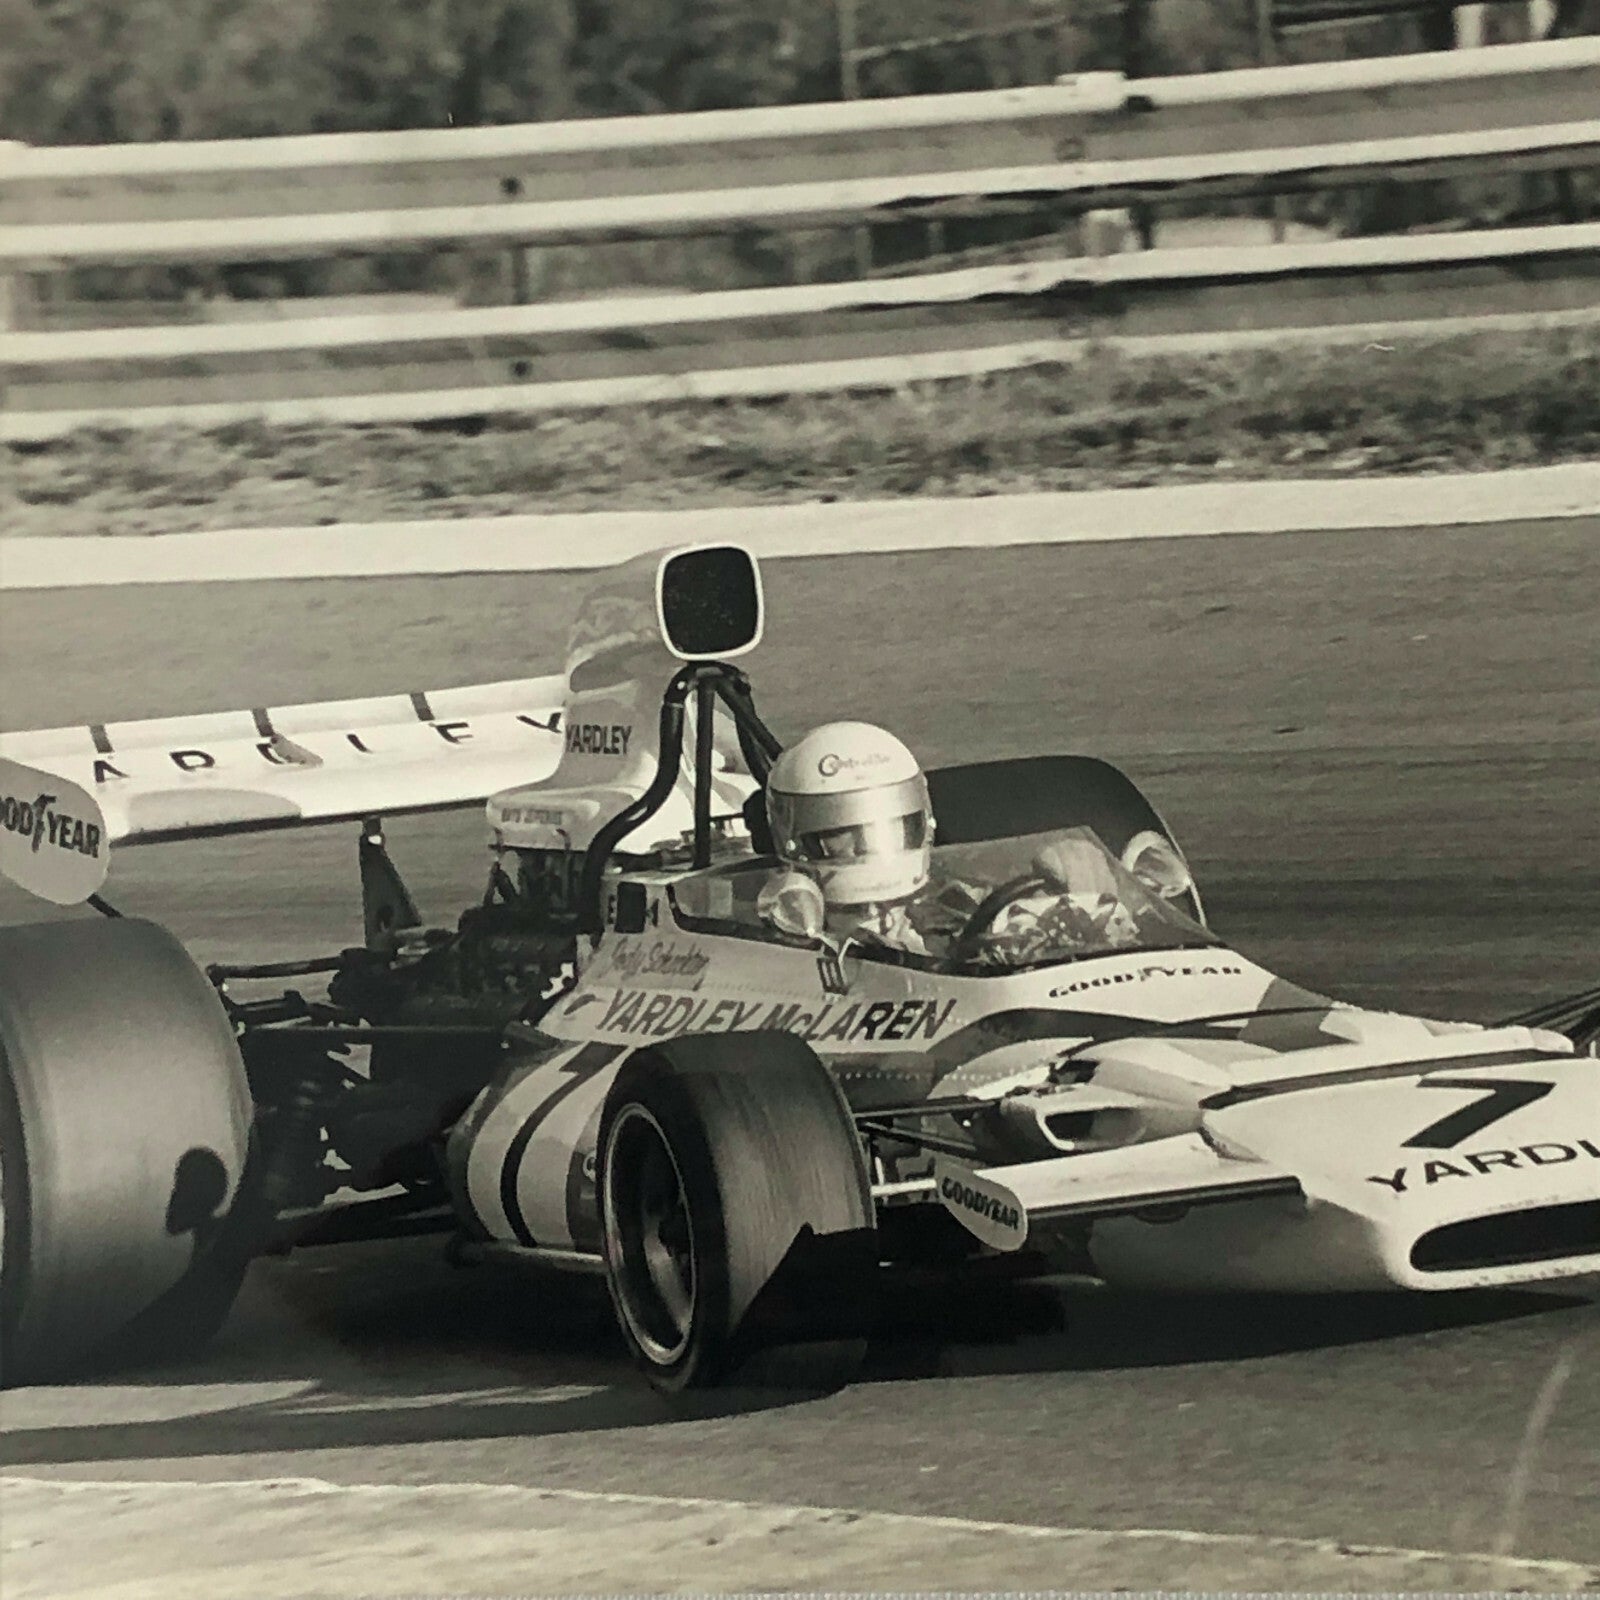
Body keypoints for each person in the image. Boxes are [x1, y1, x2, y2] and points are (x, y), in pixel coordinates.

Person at [758, 721, 938, 955]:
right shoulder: (786, 927)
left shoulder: (951, 909)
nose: (865, 847)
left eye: (895, 825)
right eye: (839, 833)